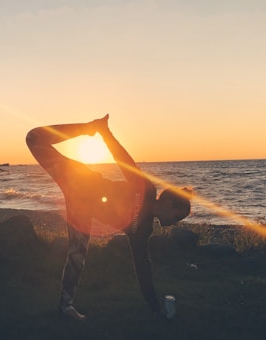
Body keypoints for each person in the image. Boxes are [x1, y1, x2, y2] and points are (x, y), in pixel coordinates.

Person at [26, 115, 192, 321]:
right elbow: (123, 160)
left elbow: (143, 266)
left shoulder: (142, 231)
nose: (175, 223)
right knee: (34, 138)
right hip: (79, 179)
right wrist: (105, 133)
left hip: (83, 210)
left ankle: (65, 307)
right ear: (168, 203)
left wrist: (155, 306)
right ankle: (89, 127)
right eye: (177, 217)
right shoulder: (147, 190)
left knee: (77, 255)